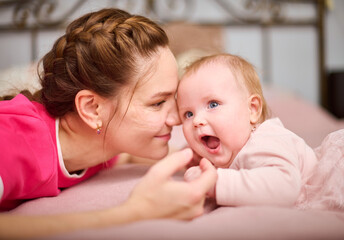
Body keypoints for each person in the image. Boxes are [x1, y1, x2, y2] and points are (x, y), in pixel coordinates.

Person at [0, 8, 217, 239]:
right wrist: (133, 213)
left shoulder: (98, 142)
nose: (175, 118)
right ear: (92, 109)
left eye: (173, 99)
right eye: (157, 103)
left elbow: (125, 156)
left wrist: (195, 156)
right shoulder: (13, 140)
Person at [177, 53, 344, 213]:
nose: (197, 121)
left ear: (253, 109)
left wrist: (215, 183)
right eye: (188, 114)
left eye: (213, 104)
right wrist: (199, 158)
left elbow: (285, 187)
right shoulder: (230, 146)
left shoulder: (266, 140)